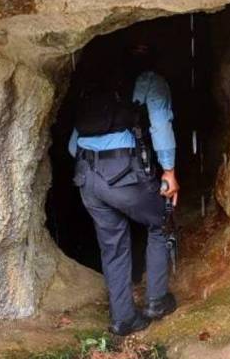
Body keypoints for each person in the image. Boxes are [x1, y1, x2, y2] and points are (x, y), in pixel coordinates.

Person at [68, 42, 179, 336]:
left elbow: (71, 145)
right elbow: (160, 127)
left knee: (112, 244)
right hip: (123, 174)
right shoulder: (149, 82)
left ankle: (123, 318)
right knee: (160, 221)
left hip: (86, 176)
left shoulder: (93, 87)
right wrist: (168, 171)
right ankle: (156, 300)